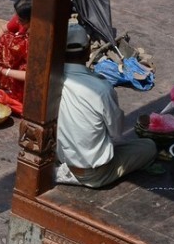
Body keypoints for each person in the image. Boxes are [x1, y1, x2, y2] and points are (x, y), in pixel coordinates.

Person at [55, 24, 157, 188]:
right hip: (92, 174)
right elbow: (116, 133)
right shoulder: (100, 88)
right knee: (148, 146)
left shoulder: (52, 77)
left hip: (61, 158)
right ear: (88, 51)